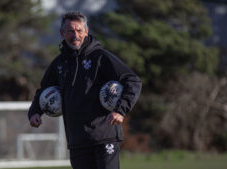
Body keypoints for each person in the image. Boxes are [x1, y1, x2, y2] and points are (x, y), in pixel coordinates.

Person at [28, 11, 142, 169]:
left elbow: (133, 80)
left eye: (79, 30)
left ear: (86, 31)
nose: (75, 35)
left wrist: (120, 110)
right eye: (70, 31)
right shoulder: (60, 63)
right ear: (62, 33)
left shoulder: (100, 57)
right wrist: (35, 112)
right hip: (77, 140)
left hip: (104, 136)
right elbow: (44, 89)